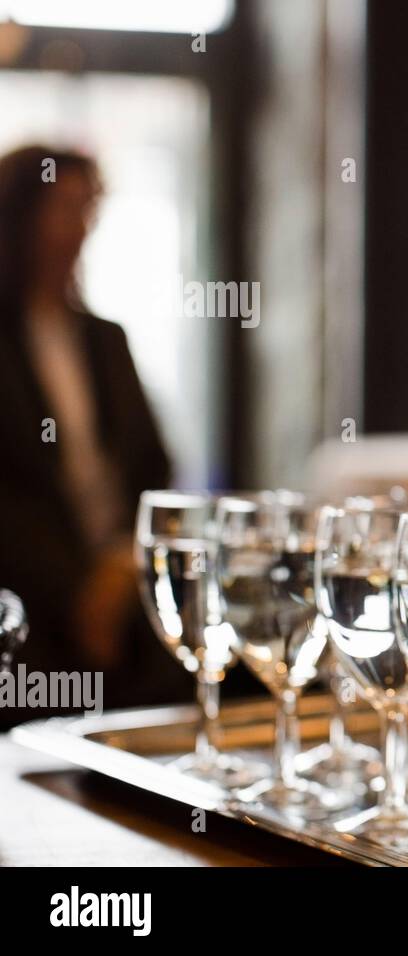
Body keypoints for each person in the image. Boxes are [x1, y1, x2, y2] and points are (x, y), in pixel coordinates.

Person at [0, 145, 180, 723]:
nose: (77, 230)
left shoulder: (105, 339)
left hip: (119, 581)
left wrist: (121, 566)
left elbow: (154, 466)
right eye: (62, 209)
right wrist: (80, 588)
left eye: (86, 210)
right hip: (31, 597)